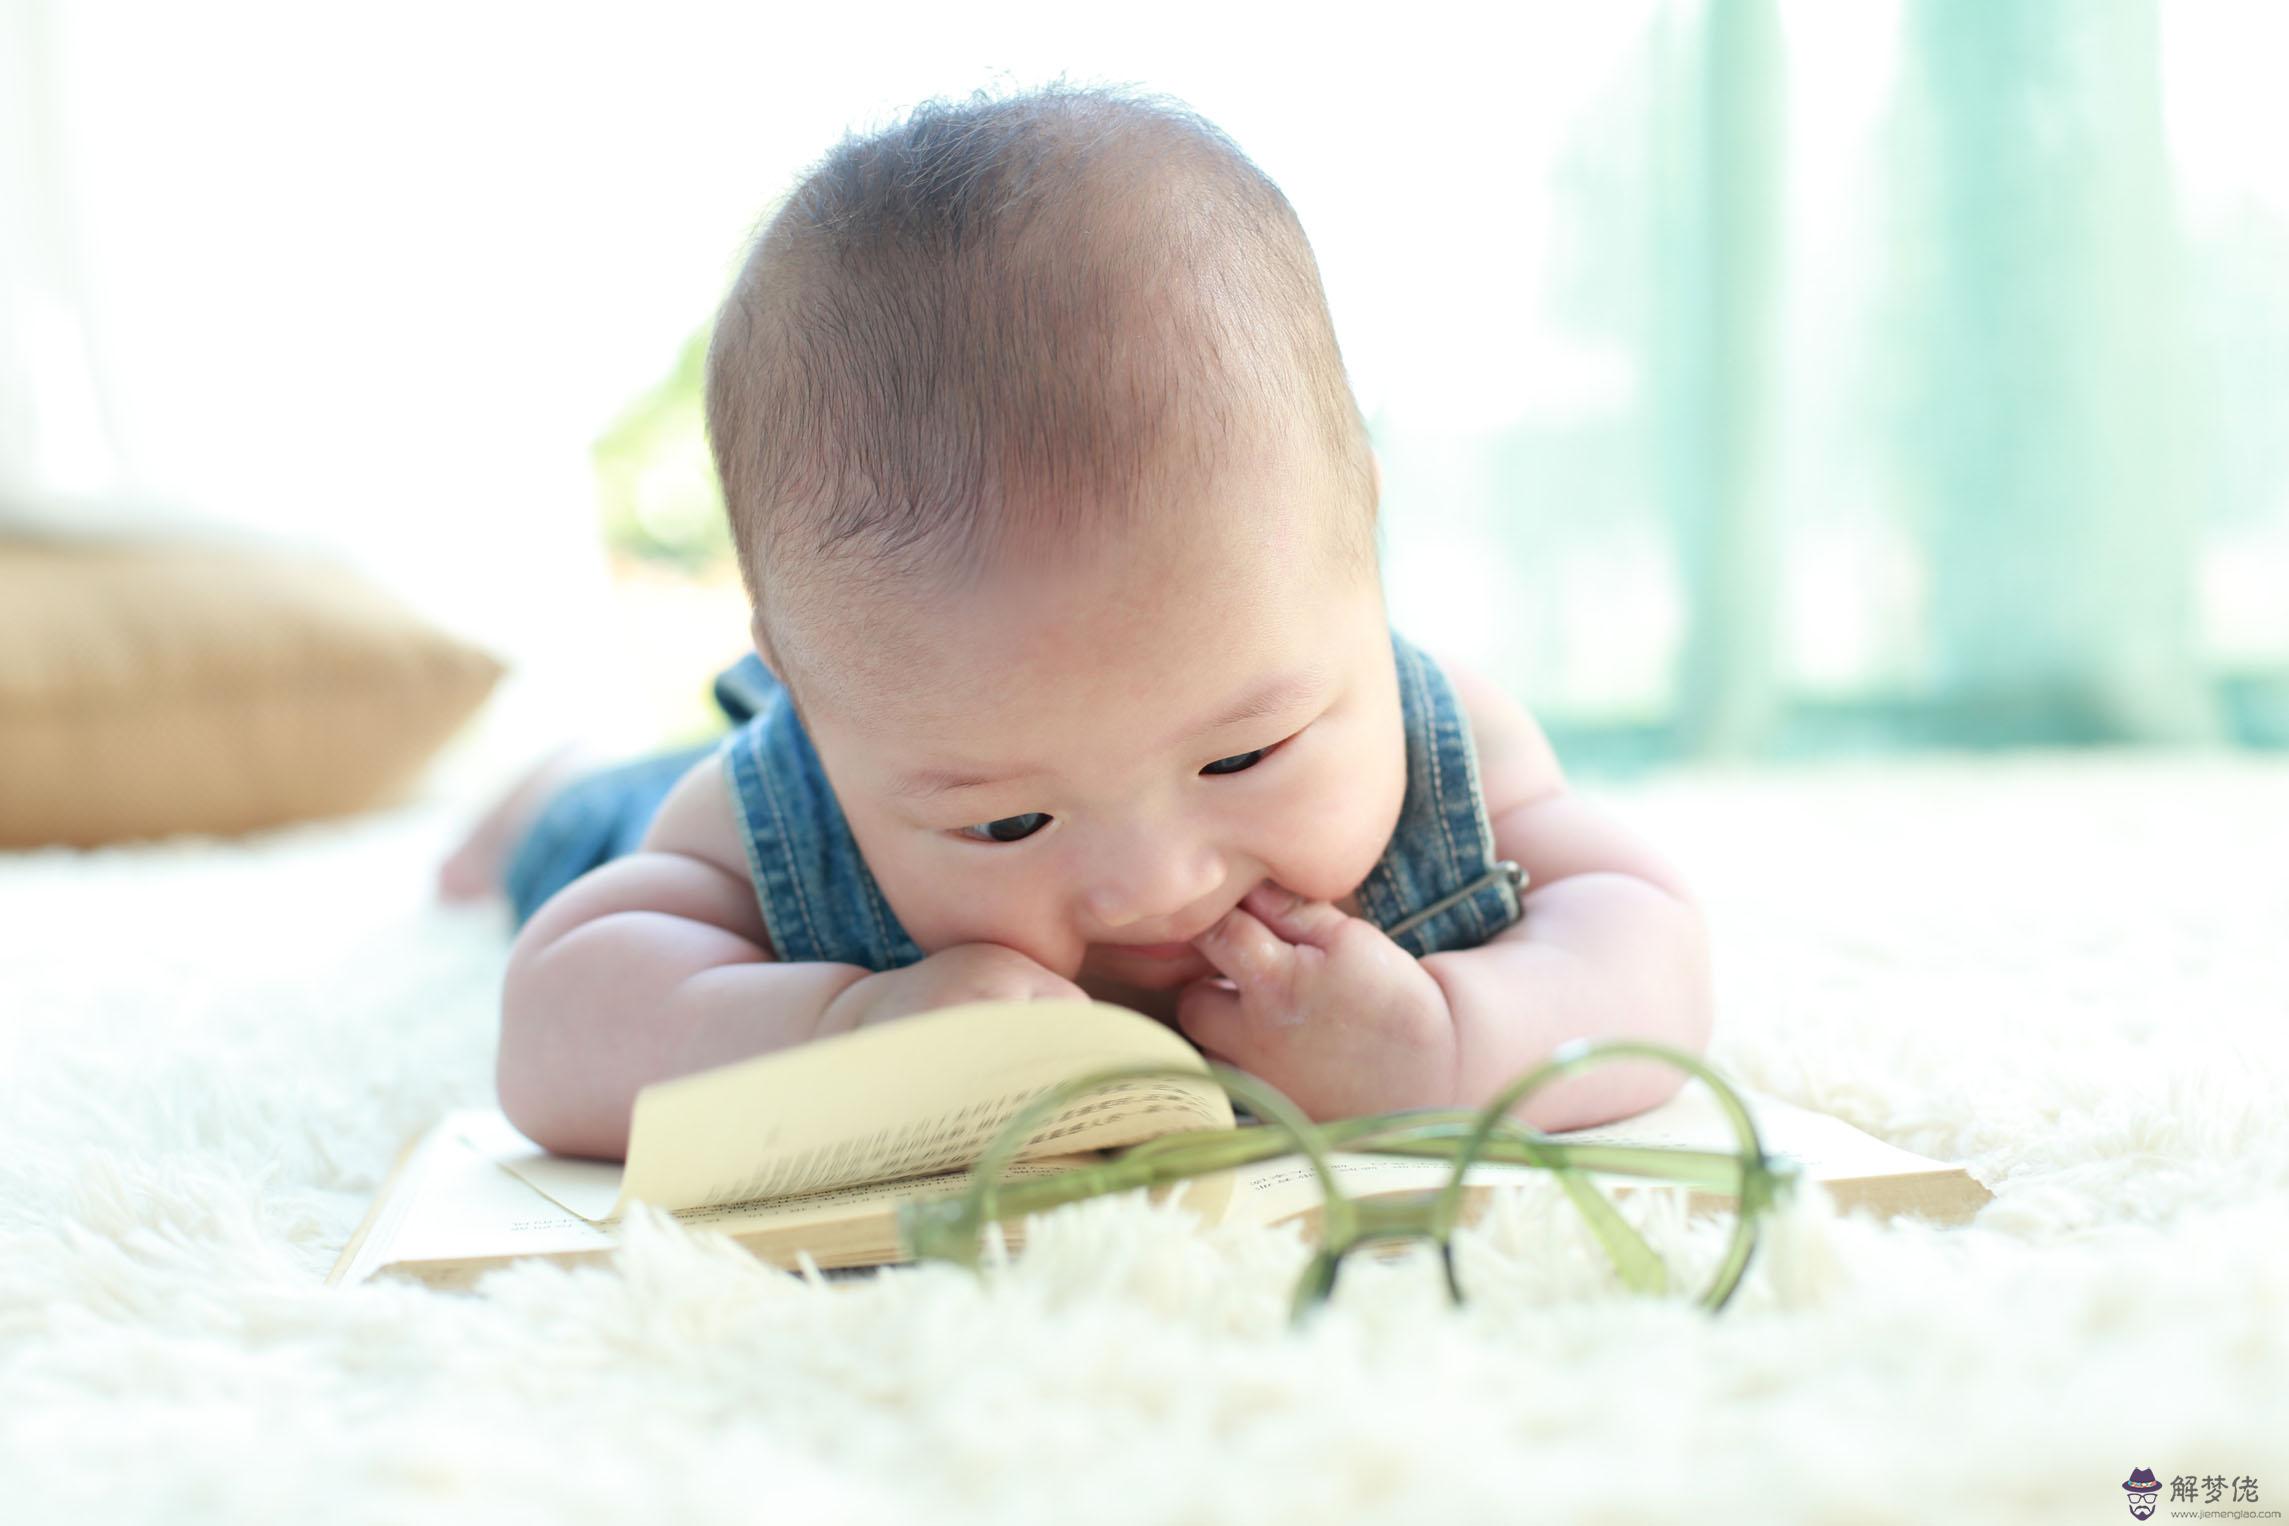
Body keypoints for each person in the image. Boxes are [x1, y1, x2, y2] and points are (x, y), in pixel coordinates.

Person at [453, 84, 1712, 1161]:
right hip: (675, 805)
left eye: (1242, 754)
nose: (1152, 883)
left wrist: (1450, 1040)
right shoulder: (781, 802)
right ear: (815, 700)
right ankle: (553, 784)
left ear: (1362, 553)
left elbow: (1650, 939)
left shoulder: (1450, 747)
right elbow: (552, 1033)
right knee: (596, 825)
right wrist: (843, 1035)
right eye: (1006, 820)